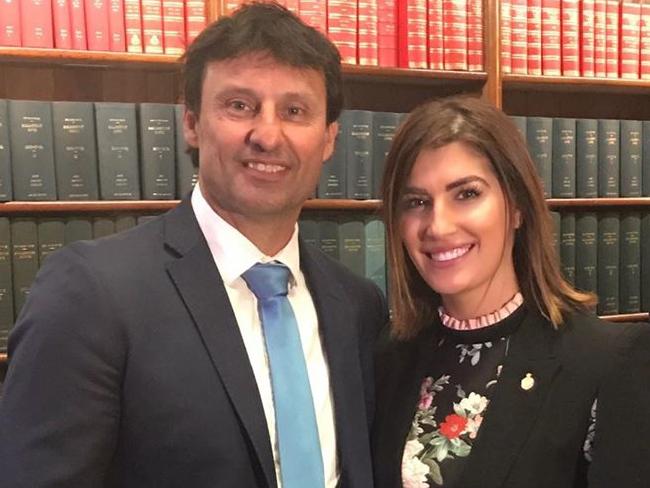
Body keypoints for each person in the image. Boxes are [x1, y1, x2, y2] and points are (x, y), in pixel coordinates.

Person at [0, 4, 387, 487]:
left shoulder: (358, 305)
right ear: (191, 123)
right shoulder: (92, 293)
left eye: (295, 111)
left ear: (329, 139)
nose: (268, 135)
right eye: (239, 105)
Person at [372, 95, 650, 488]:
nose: (438, 225)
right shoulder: (387, 356)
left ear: (517, 206)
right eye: (417, 202)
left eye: (467, 194)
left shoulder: (607, 362)